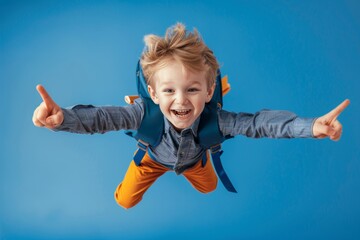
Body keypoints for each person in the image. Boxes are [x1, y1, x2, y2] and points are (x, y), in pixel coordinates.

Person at [32, 23, 350, 209]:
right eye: (169, 91)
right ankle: (146, 160)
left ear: (209, 92)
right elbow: (102, 118)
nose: (181, 100)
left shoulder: (217, 119)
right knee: (125, 202)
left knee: (209, 188)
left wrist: (309, 126)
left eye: (193, 90)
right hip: (152, 158)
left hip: (195, 160)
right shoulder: (144, 112)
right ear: (154, 95)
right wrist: (64, 119)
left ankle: (195, 150)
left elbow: (258, 123)